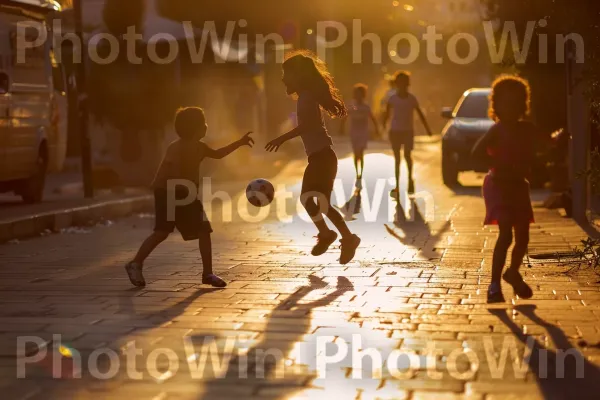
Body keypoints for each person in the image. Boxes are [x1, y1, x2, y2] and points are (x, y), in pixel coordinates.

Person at [125, 107, 254, 288]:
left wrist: (239, 143)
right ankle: (135, 263)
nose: (206, 126)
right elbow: (173, 171)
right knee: (162, 232)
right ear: (195, 128)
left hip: (186, 193)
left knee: (203, 229)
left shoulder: (199, 147)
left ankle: (207, 273)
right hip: (168, 192)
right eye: (203, 123)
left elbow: (218, 154)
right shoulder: (176, 148)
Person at [265, 51, 361, 264]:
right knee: (320, 203)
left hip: (322, 157)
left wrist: (281, 138)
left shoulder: (306, 97)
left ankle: (334, 235)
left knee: (310, 200)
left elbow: (307, 125)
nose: (282, 78)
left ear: (298, 76)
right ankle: (344, 237)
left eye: (285, 73)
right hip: (322, 157)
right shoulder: (306, 96)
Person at [472, 75, 539, 303]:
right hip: (499, 186)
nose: (510, 108)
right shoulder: (496, 131)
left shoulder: (527, 129)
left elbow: (543, 145)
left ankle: (513, 272)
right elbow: (476, 153)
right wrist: (499, 164)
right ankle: (494, 285)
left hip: (519, 186)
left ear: (523, 104)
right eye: (505, 103)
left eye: (515, 103)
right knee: (505, 234)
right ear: (496, 105)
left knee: (523, 237)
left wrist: (556, 141)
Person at [383, 71, 433, 198]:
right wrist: (383, 127)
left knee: (407, 155)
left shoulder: (412, 98)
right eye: (400, 83)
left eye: (404, 83)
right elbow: (387, 114)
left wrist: (427, 129)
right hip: (395, 131)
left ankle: (410, 179)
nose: (402, 85)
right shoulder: (392, 99)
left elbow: (420, 113)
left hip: (407, 131)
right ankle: (397, 186)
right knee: (397, 159)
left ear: (407, 84)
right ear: (397, 84)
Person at [340, 83, 380, 187]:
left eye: (360, 94)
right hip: (354, 132)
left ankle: (360, 173)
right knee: (355, 153)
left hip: (363, 132)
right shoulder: (352, 106)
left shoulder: (366, 107)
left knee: (360, 152)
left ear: (363, 95)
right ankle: (356, 170)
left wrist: (377, 129)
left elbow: (372, 118)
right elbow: (345, 117)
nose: (358, 96)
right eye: (356, 94)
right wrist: (341, 127)